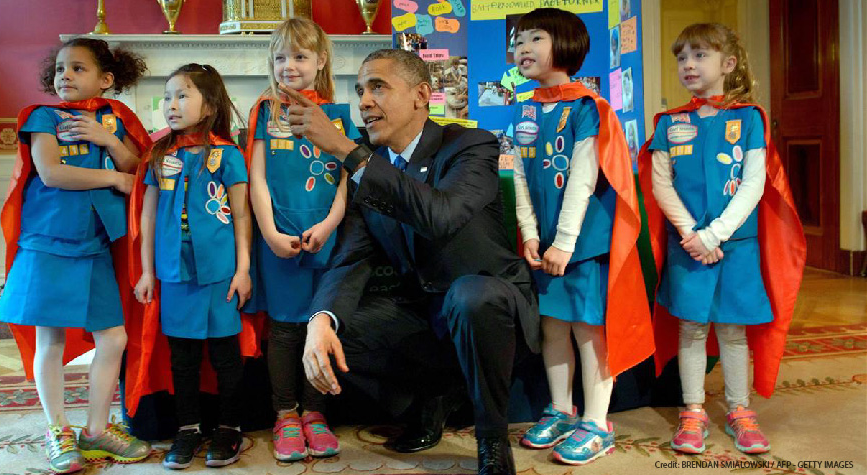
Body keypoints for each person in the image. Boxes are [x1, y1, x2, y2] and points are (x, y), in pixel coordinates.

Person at [284, 48, 540, 475]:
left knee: (470, 296)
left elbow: (440, 216)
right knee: (330, 335)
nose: (364, 101)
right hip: (425, 314)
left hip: (491, 306)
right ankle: (433, 398)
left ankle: (492, 441)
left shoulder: (470, 144)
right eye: (360, 90)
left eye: (378, 87)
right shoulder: (370, 167)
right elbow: (352, 257)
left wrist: (349, 151)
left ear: (421, 95)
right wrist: (321, 320)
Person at [638, 23, 805, 455]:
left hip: (735, 246)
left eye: (700, 55)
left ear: (727, 64)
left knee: (732, 330)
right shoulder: (670, 122)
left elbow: (754, 185)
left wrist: (715, 233)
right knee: (691, 327)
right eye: (681, 57)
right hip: (689, 247)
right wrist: (693, 234)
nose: (688, 65)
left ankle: (739, 410)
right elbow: (662, 185)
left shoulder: (748, 118)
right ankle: (692, 411)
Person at [0, 37, 153, 473]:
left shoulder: (116, 119)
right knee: (51, 338)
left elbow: (140, 167)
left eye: (79, 68)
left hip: (96, 244)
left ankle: (97, 429)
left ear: (106, 79)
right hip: (49, 241)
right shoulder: (43, 116)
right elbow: (51, 172)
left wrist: (109, 140)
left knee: (114, 337)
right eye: (61, 68)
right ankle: (58, 428)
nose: (66, 75)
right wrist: (115, 183)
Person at [508, 8, 652, 465]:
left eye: (534, 38)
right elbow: (520, 178)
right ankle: (561, 409)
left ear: (565, 45)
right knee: (553, 328)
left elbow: (584, 179)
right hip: (544, 246)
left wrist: (566, 242)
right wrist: (529, 234)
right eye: (518, 40)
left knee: (590, 333)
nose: (522, 48)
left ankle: (595, 421)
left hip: (583, 247)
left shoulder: (588, 108)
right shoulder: (525, 109)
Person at [244, 17, 359, 462]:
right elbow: (256, 179)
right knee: (286, 330)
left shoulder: (339, 114)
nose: (288, 66)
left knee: (319, 325)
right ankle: (285, 414)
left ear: (320, 60)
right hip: (278, 239)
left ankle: (316, 413)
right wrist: (270, 232)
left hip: (324, 236)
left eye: (299, 56)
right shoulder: (264, 111)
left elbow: (346, 179)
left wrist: (330, 224)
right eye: (280, 58)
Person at [133, 63, 252, 469]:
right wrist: (147, 271)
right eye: (167, 97)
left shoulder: (228, 155)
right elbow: (146, 217)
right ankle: (187, 430)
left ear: (208, 106)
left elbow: (241, 215)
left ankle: (230, 428)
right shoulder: (158, 154)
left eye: (182, 95)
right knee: (182, 357)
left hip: (220, 273)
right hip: (174, 274)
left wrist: (244, 269)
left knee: (224, 355)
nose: (171, 105)